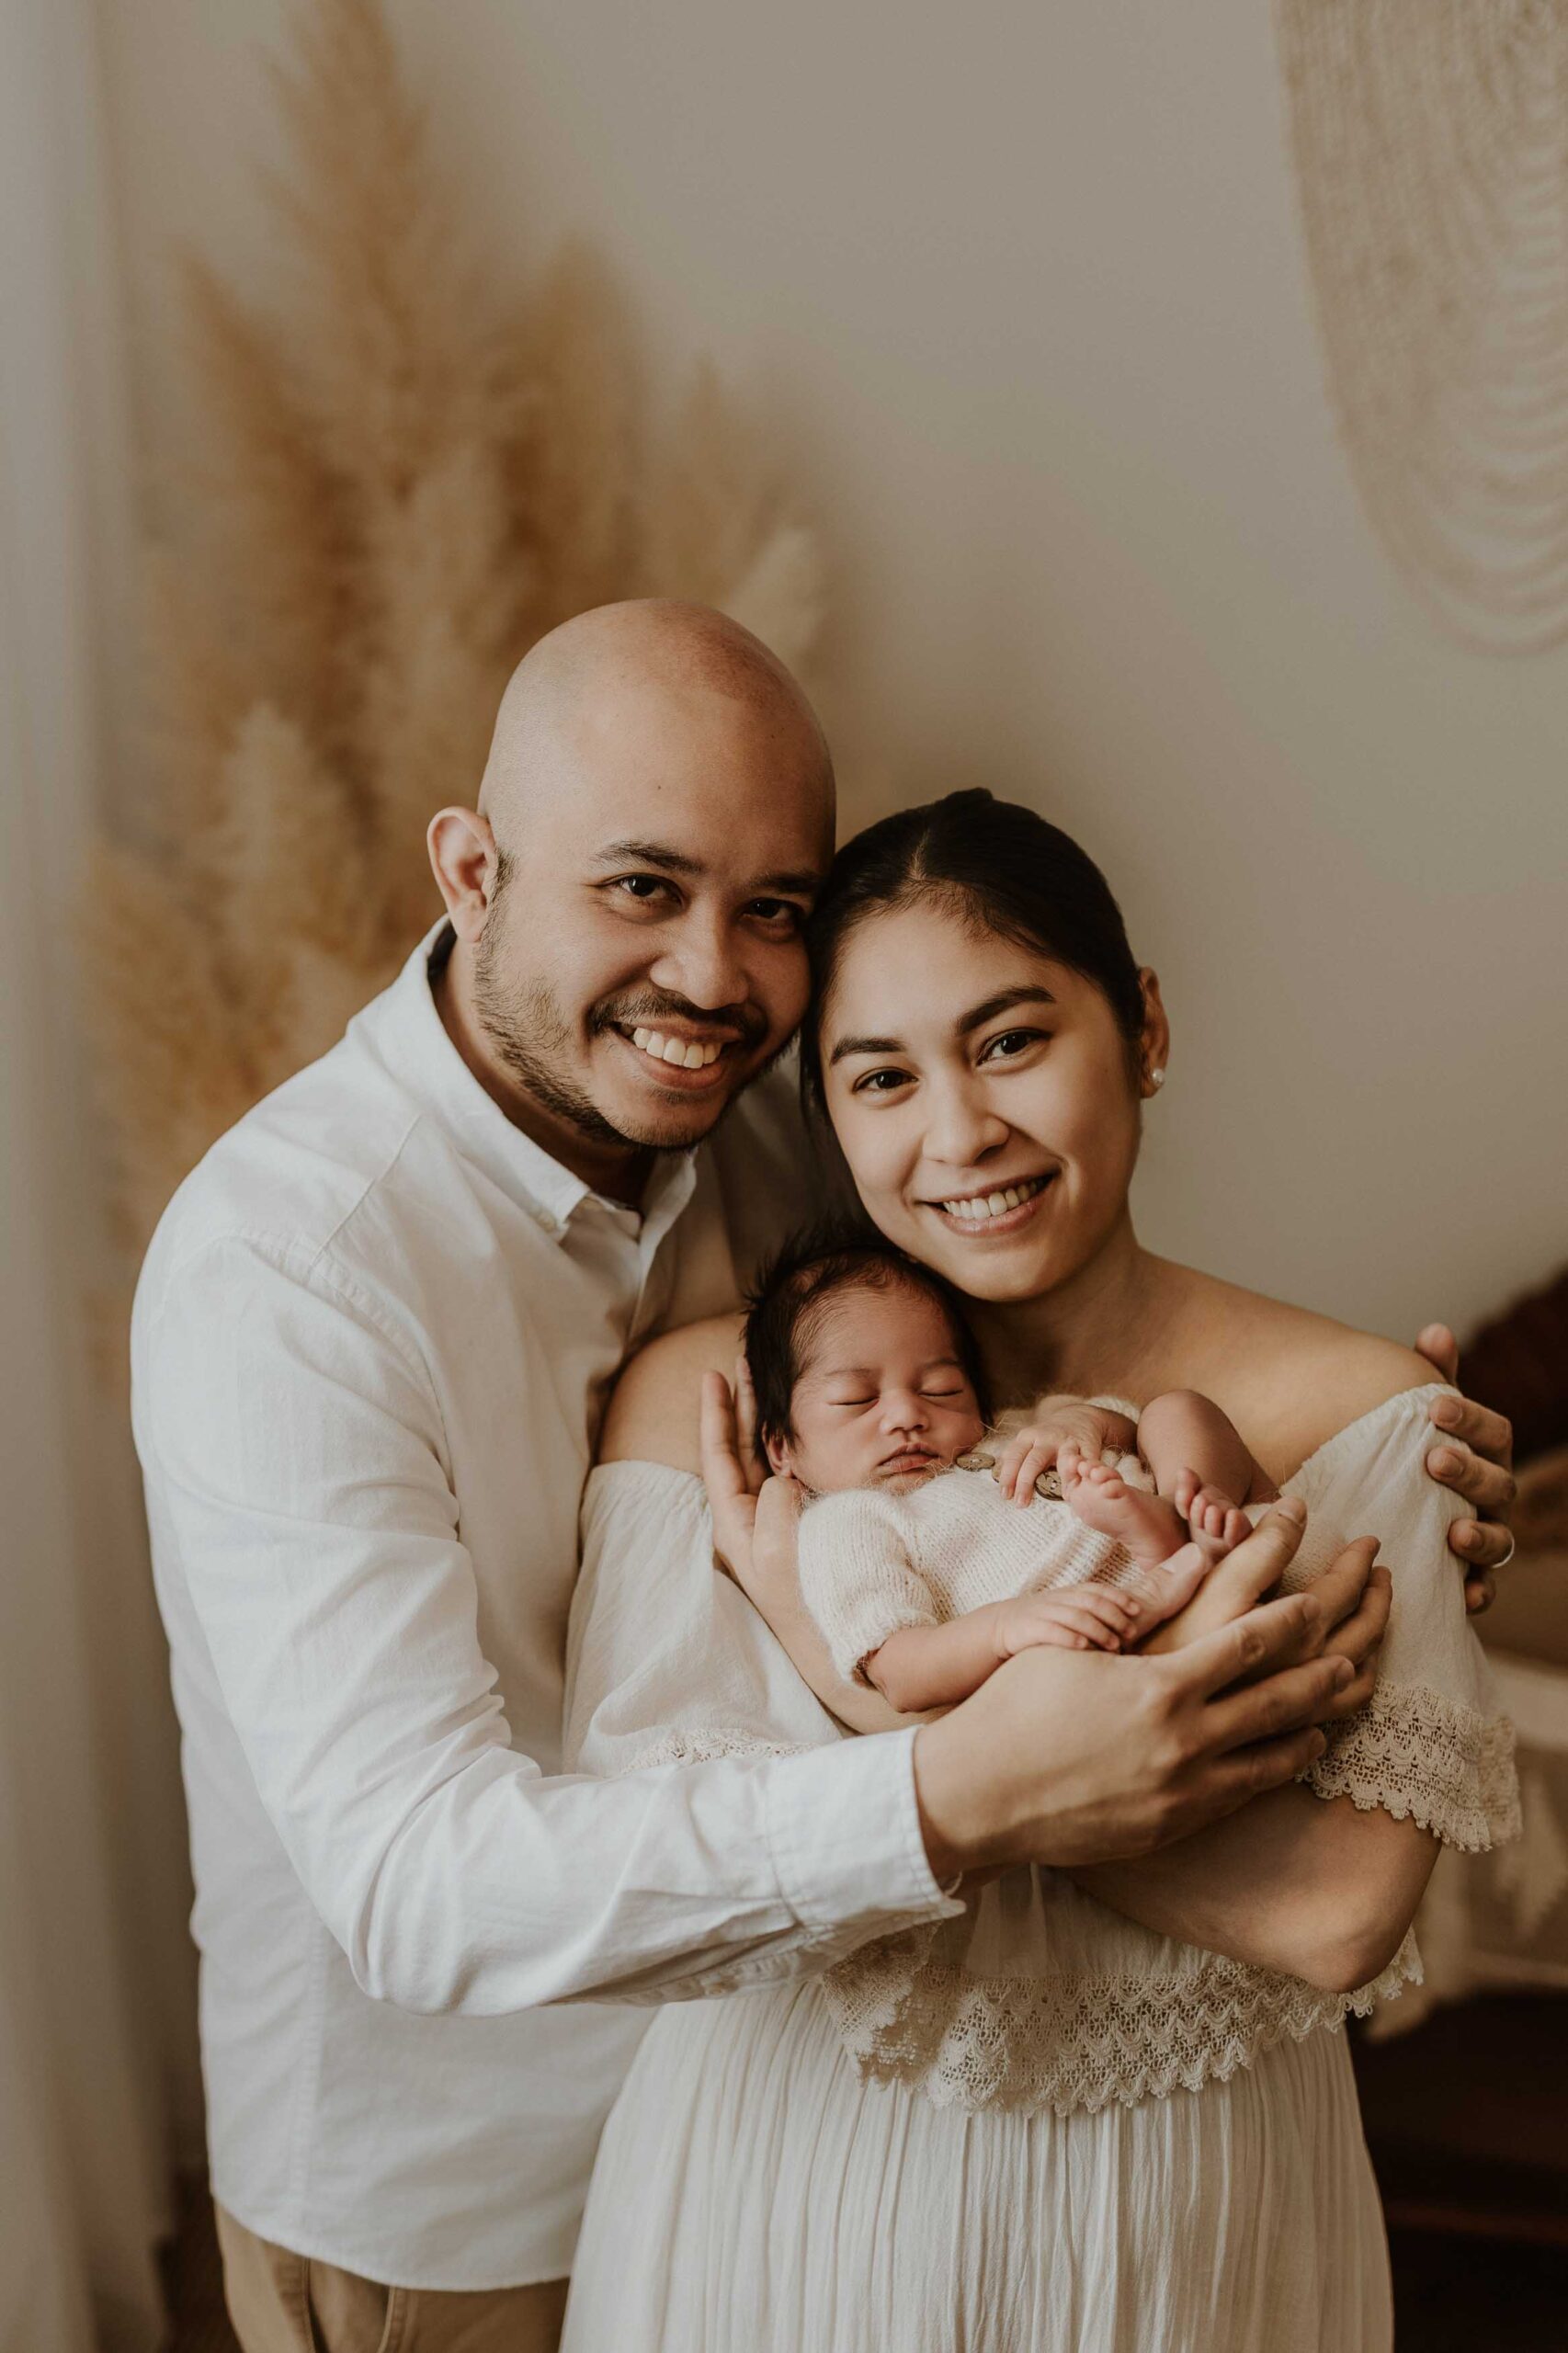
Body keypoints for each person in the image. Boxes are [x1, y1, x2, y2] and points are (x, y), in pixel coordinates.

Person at [131, 603, 1513, 2353]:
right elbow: (418, 1882)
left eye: (772, 908)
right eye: (641, 887)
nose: (713, 979)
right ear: (470, 871)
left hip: (792, 2108)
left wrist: (1386, 1454)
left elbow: (1054, 1303)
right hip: (456, 2196)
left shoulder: (767, 1145)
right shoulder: (292, 1271)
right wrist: (958, 1782)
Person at [560, 788, 1522, 2353]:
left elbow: (1331, 1914)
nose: (958, 1136)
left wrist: (820, 1651)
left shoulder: (1362, 1416)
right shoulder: (718, 1411)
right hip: (790, 2197)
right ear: (826, 1112)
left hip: (1189, 2228)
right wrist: (1100, 1780)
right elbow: (643, 1878)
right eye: (881, 1076)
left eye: (1009, 1041)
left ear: (1143, 1027)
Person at [745, 1226, 1261, 1709]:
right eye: (856, 1399)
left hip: (1163, 1520)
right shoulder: (845, 1524)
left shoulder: (1017, 1429)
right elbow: (897, 1669)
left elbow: (1129, 1427)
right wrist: (1002, 1629)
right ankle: (1176, 1552)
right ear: (782, 1449)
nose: (907, 1414)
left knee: (1176, 1409)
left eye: (941, 1390)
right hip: (1079, 1628)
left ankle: (1191, 1515)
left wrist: (1083, 1424)